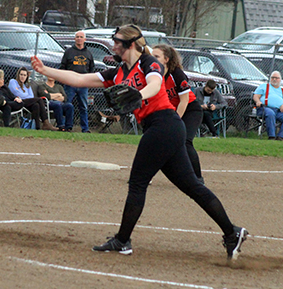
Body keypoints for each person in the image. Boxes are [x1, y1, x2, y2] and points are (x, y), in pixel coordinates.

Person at [31, 24, 248, 260]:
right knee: (192, 187)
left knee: (138, 183)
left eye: (117, 41)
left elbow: (155, 84)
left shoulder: (148, 63)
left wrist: (139, 95)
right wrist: (46, 70)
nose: (113, 45)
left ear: (131, 44)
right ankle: (232, 232)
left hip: (164, 125)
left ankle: (122, 241)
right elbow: (80, 79)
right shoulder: (118, 72)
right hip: (162, 128)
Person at [152, 44, 204, 184]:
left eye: (156, 56)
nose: (153, 59)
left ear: (166, 59)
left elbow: (184, 100)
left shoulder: (177, 74)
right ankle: (145, 176)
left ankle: (198, 179)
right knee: (156, 142)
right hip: (171, 112)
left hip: (190, 110)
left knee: (185, 141)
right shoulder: (153, 75)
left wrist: (174, 121)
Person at [60, 30, 95, 133]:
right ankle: (66, 126)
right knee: (67, 105)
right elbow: (63, 67)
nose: (79, 39)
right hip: (70, 83)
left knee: (83, 107)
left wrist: (88, 81)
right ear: (74, 39)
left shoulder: (88, 53)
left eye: (81, 37)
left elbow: (91, 69)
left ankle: (85, 128)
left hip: (83, 84)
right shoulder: (69, 52)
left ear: (85, 39)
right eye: (77, 37)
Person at [253, 71, 283, 140]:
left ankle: (280, 136)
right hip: (264, 108)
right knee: (270, 113)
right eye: (272, 77)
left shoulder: (282, 90)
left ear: (280, 80)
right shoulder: (264, 86)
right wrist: (258, 101)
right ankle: (271, 136)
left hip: (278, 111)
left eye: (276, 78)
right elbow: (256, 96)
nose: (274, 79)